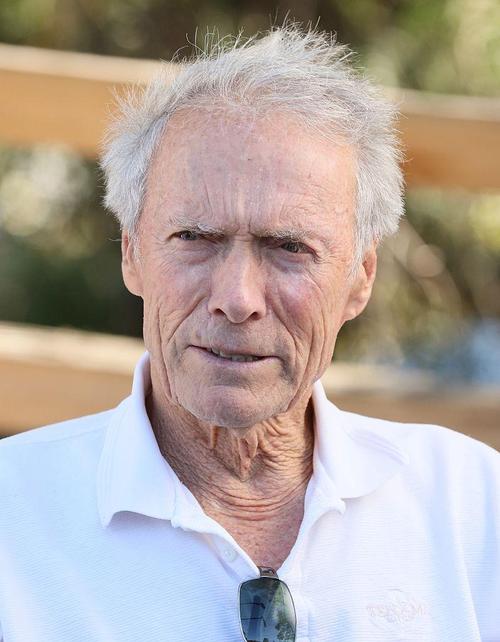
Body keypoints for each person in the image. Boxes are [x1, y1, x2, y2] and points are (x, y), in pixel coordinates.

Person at [0, 24, 499, 642]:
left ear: (359, 278)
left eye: (289, 247)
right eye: (195, 238)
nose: (237, 299)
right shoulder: (13, 519)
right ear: (132, 252)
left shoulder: (473, 508)